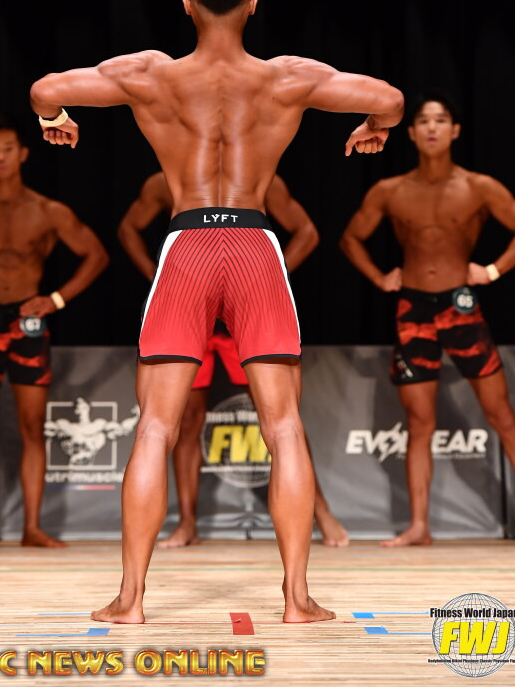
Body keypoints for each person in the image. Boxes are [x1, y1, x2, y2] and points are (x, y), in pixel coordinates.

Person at [30, 0, 403, 622]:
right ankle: (297, 600)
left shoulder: (152, 75)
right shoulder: (287, 77)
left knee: (155, 427)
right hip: (256, 246)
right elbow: (390, 98)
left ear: (186, 2)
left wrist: (55, 121)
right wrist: (375, 131)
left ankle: (131, 600)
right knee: (283, 426)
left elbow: (44, 90)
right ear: (254, 2)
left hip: (188, 245)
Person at [339, 93, 515, 547]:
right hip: (413, 310)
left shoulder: (478, 186)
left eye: (440, 120)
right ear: (410, 132)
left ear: (455, 130)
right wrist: (380, 277)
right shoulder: (390, 190)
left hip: (461, 306)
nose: (431, 127)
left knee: (501, 413)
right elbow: (350, 238)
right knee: (419, 422)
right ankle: (419, 526)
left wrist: (493, 270)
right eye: (423, 121)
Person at [118, 170, 349, 548]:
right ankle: (187, 522)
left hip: (225, 292)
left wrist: (273, 273)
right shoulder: (164, 180)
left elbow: (306, 232)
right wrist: (156, 271)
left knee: (280, 416)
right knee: (186, 420)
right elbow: (129, 227)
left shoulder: (257, 176)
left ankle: (321, 512)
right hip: (195, 301)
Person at [0, 114, 109, 549]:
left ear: (23, 154)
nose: (1, 157)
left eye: (8, 149)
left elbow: (97, 255)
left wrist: (56, 299)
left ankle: (32, 527)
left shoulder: (47, 210)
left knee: (33, 425)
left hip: (29, 322)